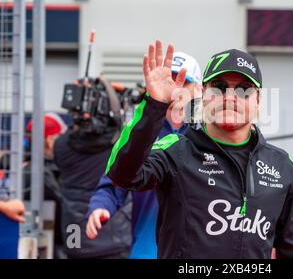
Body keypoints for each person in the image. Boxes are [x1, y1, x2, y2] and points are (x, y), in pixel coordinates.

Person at [106, 39, 293, 259]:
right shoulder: (175, 150)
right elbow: (122, 174)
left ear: (259, 100)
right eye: (220, 87)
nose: (231, 97)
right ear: (203, 95)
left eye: (244, 89)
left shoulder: (281, 167)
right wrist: (154, 105)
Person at [86, 51, 201, 259]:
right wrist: (100, 206)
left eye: (184, 83)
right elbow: (115, 182)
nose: (175, 90)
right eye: (170, 81)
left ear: (198, 90)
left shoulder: (209, 136)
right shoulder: (139, 134)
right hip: (147, 251)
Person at [54, 78, 132, 259]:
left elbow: (72, 134)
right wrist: (121, 97)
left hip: (74, 237)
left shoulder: (61, 146)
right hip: (113, 239)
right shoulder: (119, 143)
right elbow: (132, 127)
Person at [24, 113, 67, 258]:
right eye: (61, 138)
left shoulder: (21, 169)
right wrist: (77, 246)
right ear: (49, 141)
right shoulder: (45, 175)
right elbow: (70, 222)